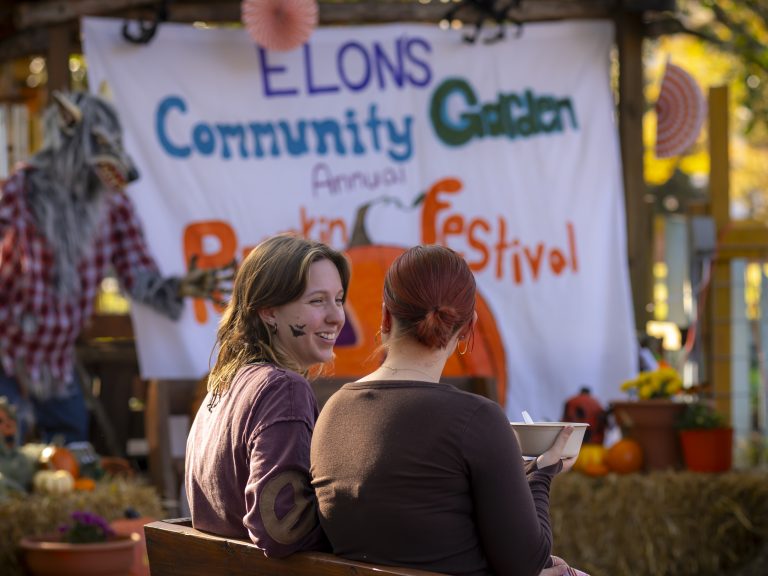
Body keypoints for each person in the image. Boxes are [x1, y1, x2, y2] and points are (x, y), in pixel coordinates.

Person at [311, 244, 578, 576]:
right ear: (467, 329)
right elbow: (527, 564)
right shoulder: (477, 420)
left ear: (385, 317)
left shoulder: (332, 412)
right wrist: (542, 474)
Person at [0, 91, 232, 445]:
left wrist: (178, 288)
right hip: (6, 357)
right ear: (70, 135)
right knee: (8, 464)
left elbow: (136, 272)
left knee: (74, 455)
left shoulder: (113, 206)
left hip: (56, 365)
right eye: (100, 142)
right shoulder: (21, 190)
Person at [185, 233, 349, 558]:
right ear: (269, 312)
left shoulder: (222, 387)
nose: (336, 316)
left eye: (339, 299)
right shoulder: (283, 389)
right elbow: (282, 530)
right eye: (317, 301)